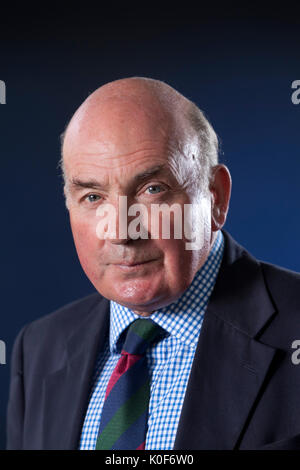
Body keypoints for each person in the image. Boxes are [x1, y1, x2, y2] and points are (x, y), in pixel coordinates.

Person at [6, 77, 300, 450]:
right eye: (93, 196)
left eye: (152, 190)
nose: (122, 232)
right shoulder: (36, 350)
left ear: (216, 198)